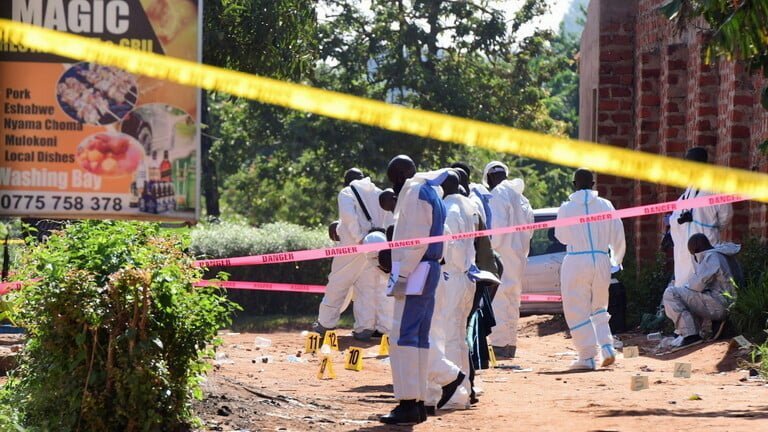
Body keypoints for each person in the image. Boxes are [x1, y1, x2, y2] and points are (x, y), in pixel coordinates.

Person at [380, 155, 447, 425]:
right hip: (427, 267)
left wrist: (401, 274)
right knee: (418, 337)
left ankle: (408, 403)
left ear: (398, 178)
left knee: (403, 336)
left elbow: (417, 242)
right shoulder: (430, 191)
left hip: (416, 269)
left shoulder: (415, 192)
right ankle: (417, 403)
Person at [555, 168, 626, 370]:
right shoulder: (606, 205)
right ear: (593, 185)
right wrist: (616, 260)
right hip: (601, 259)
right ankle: (607, 347)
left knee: (576, 308)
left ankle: (587, 356)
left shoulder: (566, 208)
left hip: (576, 259)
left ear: (573, 185)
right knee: (599, 307)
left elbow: (561, 237)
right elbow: (618, 235)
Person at [313, 168, 389, 341]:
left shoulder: (346, 192)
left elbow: (349, 218)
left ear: (346, 182)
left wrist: (360, 239)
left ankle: (325, 324)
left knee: (337, 283)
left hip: (352, 247)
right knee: (367, 287)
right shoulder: (378, 192)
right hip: (375, 244)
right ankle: (365, 328)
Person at [425, 170, 477, 413]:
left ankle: (456, 394)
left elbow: (447, 249)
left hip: (452, 276)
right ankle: (464, 389)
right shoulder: (467, 206)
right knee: (458, 336)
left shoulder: (449, 209)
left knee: (449, 338)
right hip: (465, 277)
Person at [450, 161, 498, 403]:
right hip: (475, 278)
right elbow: (487, 249)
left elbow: (481, 248)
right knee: (463, 333)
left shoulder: (452, 208)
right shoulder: (474, 205)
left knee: (457, 334)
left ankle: (461, 384)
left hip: (461, 278)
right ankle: (468, 385)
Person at [483, 161, 534, 359]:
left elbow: (496, 231)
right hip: (518, 257)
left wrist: (487, 249)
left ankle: (499, 345)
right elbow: (529, 230)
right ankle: (510, 344)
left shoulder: (497, 194)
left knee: (499, 301)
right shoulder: (522, 198)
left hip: (502, 257)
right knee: (513, 300)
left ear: (489, 177)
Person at [662, 233, 742, 348]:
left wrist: (685, 289)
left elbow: (696, 285)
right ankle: (697, 329)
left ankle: (690, 335)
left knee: (671, 293)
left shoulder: (711, 257)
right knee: (688, 294)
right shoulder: (722, 254)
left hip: (722, 305)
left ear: (696, 250)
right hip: (730, 302)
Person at [669, 147, 733, 287]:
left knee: (705, 285)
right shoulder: (688, 191)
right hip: (685, 252)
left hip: (706, 245)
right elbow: (675, 217)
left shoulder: (716, 187)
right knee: (684, 287)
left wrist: (710, 228)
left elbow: (726, 215)